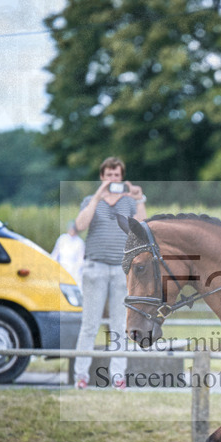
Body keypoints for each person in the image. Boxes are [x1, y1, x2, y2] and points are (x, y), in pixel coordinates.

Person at [73, 157, 147, 390]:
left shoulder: (128, 202)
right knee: (90, 325)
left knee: (119, 326)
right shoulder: (90, 200)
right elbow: (80, 225)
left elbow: (142, 227)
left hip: (120, 269)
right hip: (95, 267)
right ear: (102, 176)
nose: (112, 179)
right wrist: (98, 196)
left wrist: (139, 198)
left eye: (116, 175)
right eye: (108, 175)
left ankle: (118, 377)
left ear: (122, 177)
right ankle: (81, 376)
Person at [51, 220, 85, 286]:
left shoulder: (79, 243)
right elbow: (55, 254)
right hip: (61, 269)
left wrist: (75, 272)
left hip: (73, 271)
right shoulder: (62, 239)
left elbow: (80, 260)